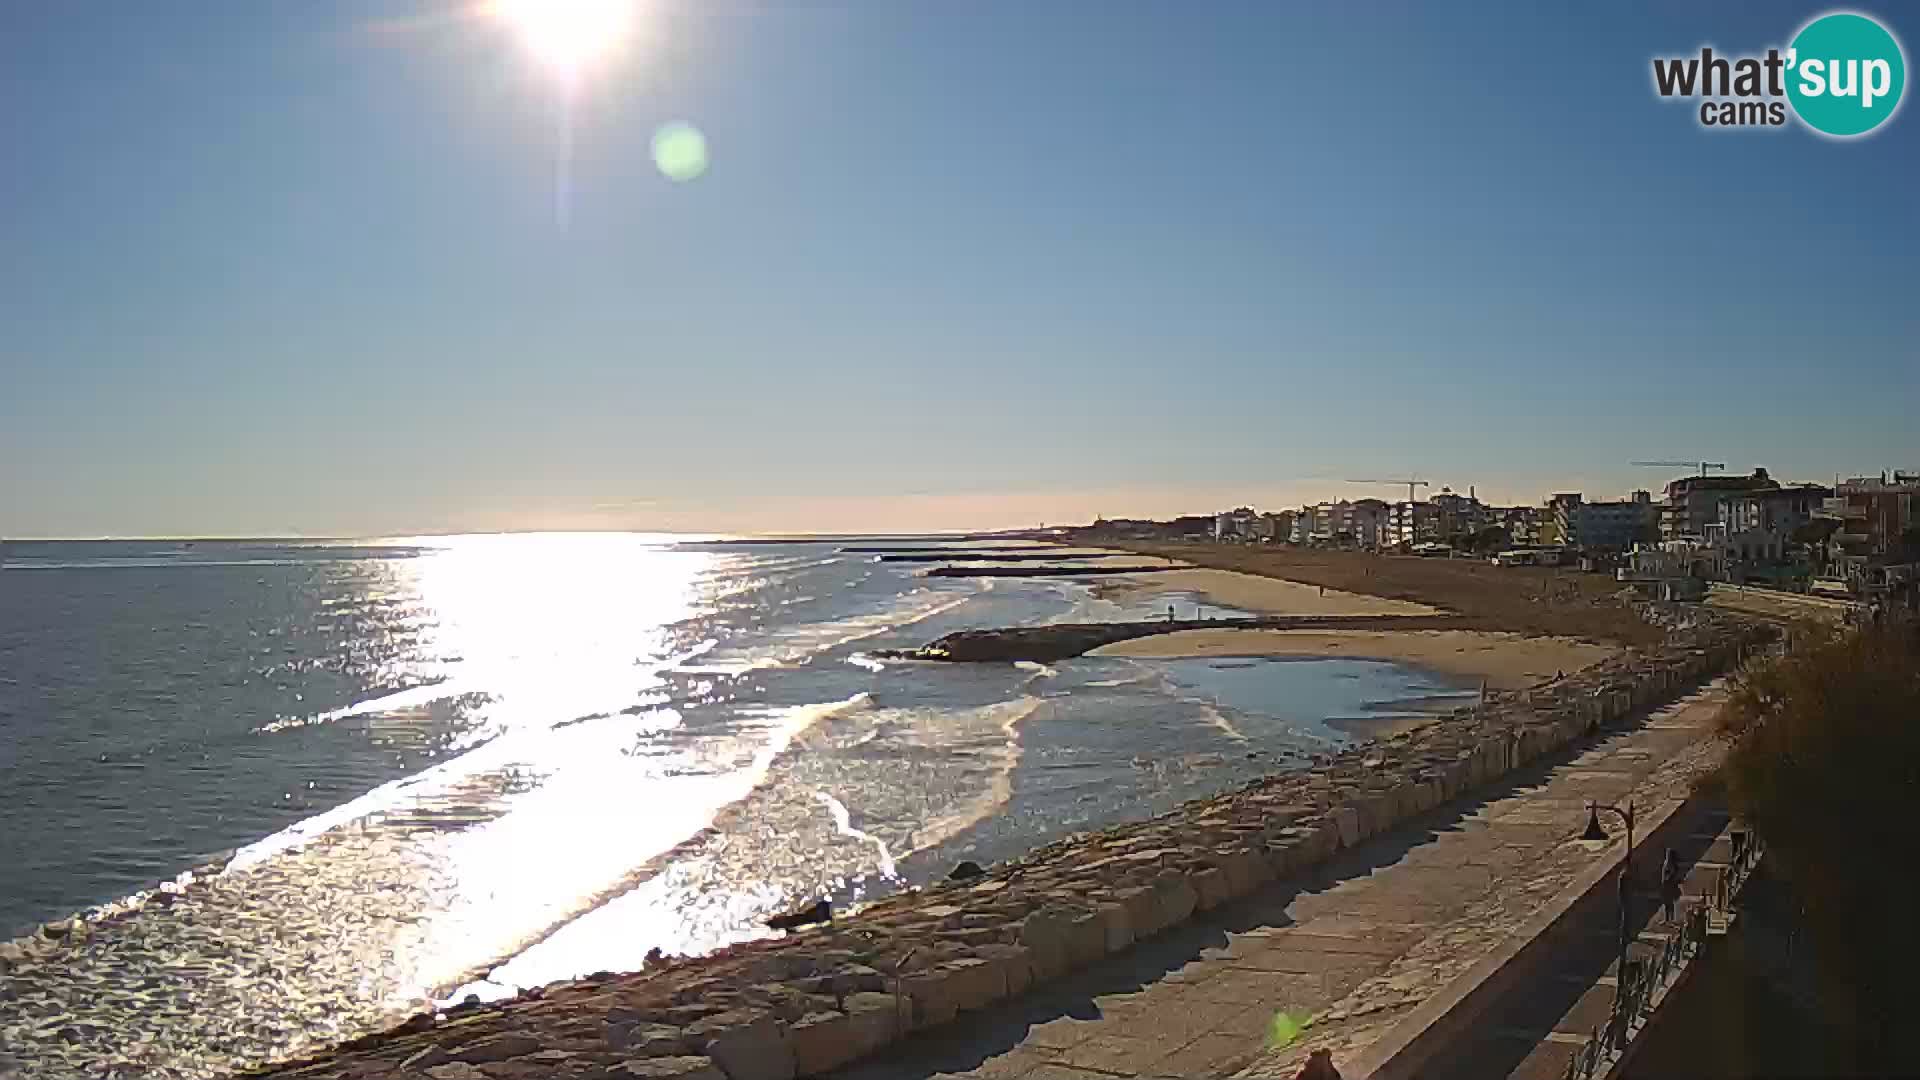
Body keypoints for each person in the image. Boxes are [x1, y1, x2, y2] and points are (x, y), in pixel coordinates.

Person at [1660, 847, 1682, 923]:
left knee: (1669, 903)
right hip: (1666, 886)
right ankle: (1667, 919)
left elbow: (1671, 874)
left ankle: (1671, 919)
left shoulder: (1671, 864)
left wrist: (1666, 878)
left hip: (1669, 886)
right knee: (1667, 903)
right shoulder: (1667, 863)